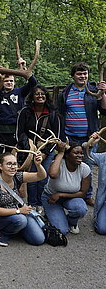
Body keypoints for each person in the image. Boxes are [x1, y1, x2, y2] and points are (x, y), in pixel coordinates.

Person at [57, 62, 106, 206]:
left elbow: (104, 110)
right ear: (73, 76)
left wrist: (103, 93)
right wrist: (61, 136)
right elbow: (59, 114)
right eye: (79, 74)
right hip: (69, 137)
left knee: (87, 167)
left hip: (89, 138)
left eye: (85, 73)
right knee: (68, 166)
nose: (82, 76)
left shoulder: (93, 90)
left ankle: (87, 195)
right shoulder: (65, 92)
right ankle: (68, 193)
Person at [16, 85, 63, 210]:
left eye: (42, 94)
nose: (40, 96)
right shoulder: (25, 112)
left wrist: (45, 153)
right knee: (31, 178)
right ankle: (32, 204)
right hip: (29, 150)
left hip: (46, 151)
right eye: (37, 94)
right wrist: (29, 149)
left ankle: (41, 204)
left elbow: (56, 138)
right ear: (32, 97)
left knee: (43, 178)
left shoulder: (53, 114)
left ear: (46, 96)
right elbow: (19, 133)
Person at [0, 151, 46, 247]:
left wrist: (38, 165)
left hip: (19, 214)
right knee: (21, 220)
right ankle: (4, 233)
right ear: (0, 166)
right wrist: (19, 211)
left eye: (15, 164)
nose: (13, 167)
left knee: (38, 240)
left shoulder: (17, 176)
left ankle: (17, 228)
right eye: (9, 164)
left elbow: (41, 176)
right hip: (0, 218)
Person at [0, 59, 37, 155]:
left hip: (15, 130)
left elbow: (33, 83)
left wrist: (24, 69)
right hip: (0, 131)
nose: (9, 83)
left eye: (11, 81)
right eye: (6, 81)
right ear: (2, 82)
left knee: (13, 156)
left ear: (14, 82)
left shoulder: (20, 92)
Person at [41, 141, 90, 235]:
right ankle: (50, 215)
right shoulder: (58, 163)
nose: (80, 156)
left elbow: (83, 193)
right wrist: (60, 152)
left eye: (81, 153)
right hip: (51, 199)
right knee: (62, 230)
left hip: (70, 198)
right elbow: (52, 174)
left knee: (80, 209)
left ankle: (72, 222)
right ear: (67, 155)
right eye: (76, 153)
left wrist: (60, 194)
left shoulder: (85, 168)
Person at [84, 132, 106, 234]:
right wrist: (91, 144)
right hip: (104, 201)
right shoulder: (104, 157)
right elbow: (88, 157)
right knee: (101, 229)